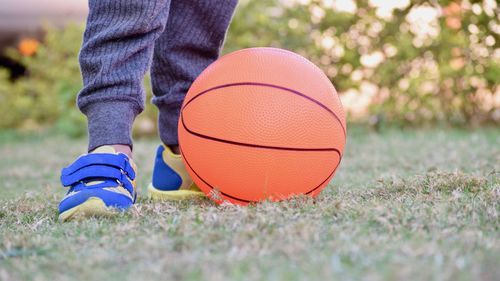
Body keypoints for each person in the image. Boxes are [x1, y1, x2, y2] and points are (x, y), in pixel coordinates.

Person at [58, 0, 238, 221]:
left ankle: (185, 155)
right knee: (126, 10)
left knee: (199, 20)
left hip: (193, 134)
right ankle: (109, 147)